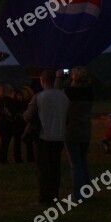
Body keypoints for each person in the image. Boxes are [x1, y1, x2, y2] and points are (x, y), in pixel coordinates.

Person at [24, 69, 68, 206]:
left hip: (43, 137)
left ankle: (44, 199)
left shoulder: (39, 97)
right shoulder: (64, 97)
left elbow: (28, 116)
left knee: (43, 170)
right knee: (55, 169)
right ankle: (54, 197)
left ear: (42, 81)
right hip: (59, 137)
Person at [61, 67, 94, 200]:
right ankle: (88, 191)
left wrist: (59, 78)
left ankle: (78, 194)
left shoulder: (70, 91)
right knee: (83, 162)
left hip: (72, 130)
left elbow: (60, 95)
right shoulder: (89, 92)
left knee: (75, 163)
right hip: (85, 129)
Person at [0, 84, 17, 164]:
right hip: (6, 123)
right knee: (5, 141)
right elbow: (13, 111)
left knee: (4, 141)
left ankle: (2, 158)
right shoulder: (8, 100)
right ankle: (2, 159)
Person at [13, 89, 34, 162]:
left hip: (25, 125)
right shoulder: (15, 104)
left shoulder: (27, 103)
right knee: (17, 143)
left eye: (21, 95)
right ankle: (18, 159)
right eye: (18, 95)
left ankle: (30, 158)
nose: (20, 97)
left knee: (28, 142)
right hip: (17, 125)